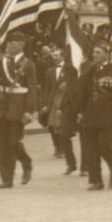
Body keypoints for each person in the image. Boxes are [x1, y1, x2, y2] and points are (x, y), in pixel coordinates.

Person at [0, 32, 36, 188]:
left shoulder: (27, 64)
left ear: (22, 45)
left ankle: (25, 161)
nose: (10, 46)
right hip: (1, 105)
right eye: (9, 43)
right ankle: (6, 178)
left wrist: (29, 111)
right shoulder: (3, 61)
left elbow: (32, 89)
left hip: (17, 106)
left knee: (12, 142)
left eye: (14, 43)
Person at [77, 42, 112, 190]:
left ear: (107, 54)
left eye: (98, 52)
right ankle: (96, 181)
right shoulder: (90, 71)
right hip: (91, 114)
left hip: (108, 115)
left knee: (104, 145)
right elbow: (83, 93)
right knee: (91, 149)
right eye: (94, 52)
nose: (94, 55)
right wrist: (81, 112)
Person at [42, 45, 79, 175]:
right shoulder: (49, 72)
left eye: (57, 55)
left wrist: (67, 86)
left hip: (66, 103)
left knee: (63, 131)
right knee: (53, 127)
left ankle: (69, 159)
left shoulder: (70, 69)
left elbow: (75, 86)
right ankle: (59, 148)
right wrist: (45, 103)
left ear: (63, 56)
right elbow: (46, 89)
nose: (55, 58)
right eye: (53, 56)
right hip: (53, 102)